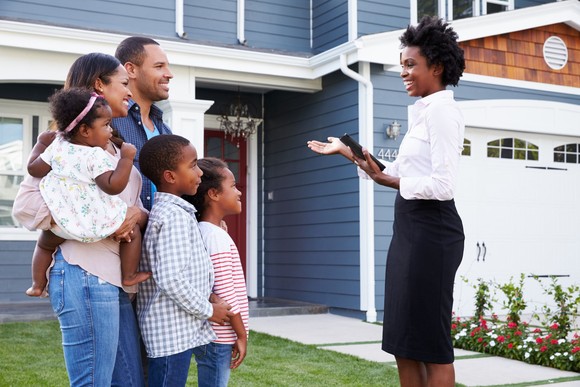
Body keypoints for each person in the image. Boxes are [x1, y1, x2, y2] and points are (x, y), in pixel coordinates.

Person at [307, 16, 466, 387]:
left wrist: (386, 179)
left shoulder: (443, 111)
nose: (403, 72)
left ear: (437, 66)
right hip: (409, 230)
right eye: (402, 65)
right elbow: (395, 169)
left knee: (430, 342)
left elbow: (443, 184)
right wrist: (349, 152)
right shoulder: (423, 111)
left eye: (411, 64)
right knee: (404, 339)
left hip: (433, 233)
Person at [48, 53, 147, 386]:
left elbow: (132, 207)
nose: (130, 91)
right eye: (123, 83)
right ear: (98, 86)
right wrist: (101, 224)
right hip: (86, 274)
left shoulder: (114, 149)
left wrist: (134, 215)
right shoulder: (63, 148)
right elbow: (29, 208)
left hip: (114, 280)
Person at [25, 87, 150, 297]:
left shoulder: (57, 148)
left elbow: (33, 169)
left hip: (64, 222)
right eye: (106, 125)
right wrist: (126, 159)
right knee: (132, 233)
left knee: (44, 245)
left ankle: (37, 284)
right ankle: (129, 275)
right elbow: (113, 185)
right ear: (84, 130)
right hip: (97, 222)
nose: (110, 131)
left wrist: (40, 144)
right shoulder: (95, 155)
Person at [137, 135, 234, 387]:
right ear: (170, 176)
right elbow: (170, 278)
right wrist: (209, 310)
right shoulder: (174, 217)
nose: (200, 172)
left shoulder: (175, 212)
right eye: (192, 165)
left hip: (177, 331)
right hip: (170, 335)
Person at [184, 158, 249, 386]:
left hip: (210, 332)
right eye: (232, 186)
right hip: (219, 335)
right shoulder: (215, 237)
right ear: (213, 194)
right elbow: (226, 295)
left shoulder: (204, 231)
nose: (239, 192)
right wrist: (241, 335)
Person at [112, 36, 174, 211]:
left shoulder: (166, 132)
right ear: (131, 70)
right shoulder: (109, 122)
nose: (169, 74)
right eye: (159, 66)